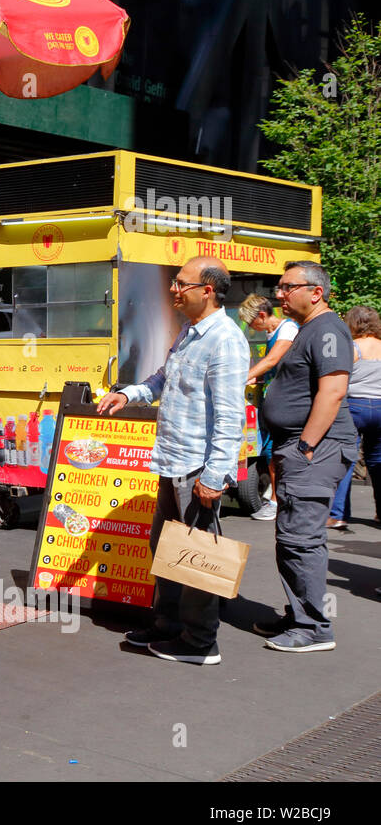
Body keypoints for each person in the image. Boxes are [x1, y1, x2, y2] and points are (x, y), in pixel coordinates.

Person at [98, 257, 248, 665]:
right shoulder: (189, 331)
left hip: (198, 469)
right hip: (172, 461)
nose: (172, 289)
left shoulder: (226, 339)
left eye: (181, 283)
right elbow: (164, 377)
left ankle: (200, 642)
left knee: (196, 557)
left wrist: (215, 475)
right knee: (167, 548)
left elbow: (231, 416)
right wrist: (130, 394)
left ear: (208, 291)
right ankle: (168, 625)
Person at [256, 260, 354, 653]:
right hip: (300, 447)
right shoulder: (308, 328)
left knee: (301, 540)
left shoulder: (328, 329)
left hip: (315, 448)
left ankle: (313, 628)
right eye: (279, 287)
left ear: (315, 292)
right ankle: (298, 615)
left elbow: (333, 392)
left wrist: (305, 447)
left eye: (286, 287)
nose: (278, 294)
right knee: (292, 537)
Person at [238, 294, 299, 521]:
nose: (253, 327)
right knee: (269, 451)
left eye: (253, 322)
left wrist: (245, 377)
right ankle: (275, 497)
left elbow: (273, 360)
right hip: (273, 397)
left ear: (262, 316)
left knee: (275, 453)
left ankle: (275, 501)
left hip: (286, 400)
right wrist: (258, 380)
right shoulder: (272, 332)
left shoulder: (288, 329)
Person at [326, 306, 381, 527]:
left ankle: (338, 515)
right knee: (378, 461)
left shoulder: (352, 347)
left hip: (355, 406)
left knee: (346, 459)